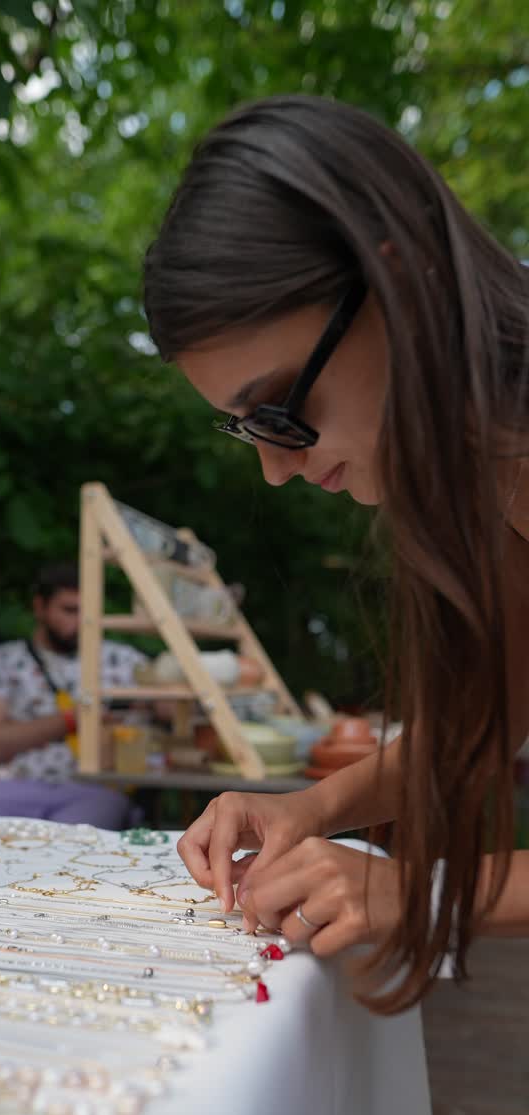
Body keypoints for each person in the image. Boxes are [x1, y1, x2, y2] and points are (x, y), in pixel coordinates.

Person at [143, 94, 529, 1011]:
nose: (278, 468)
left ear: (397, 284)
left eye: (281, 410)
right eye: (248, 432)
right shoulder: (491, 470)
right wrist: (304, 810)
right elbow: (488, 723)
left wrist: (429, 890)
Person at [0, 562, 144, 828]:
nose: (81, 621)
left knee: (74, 853)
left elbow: (169, 708)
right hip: (5, 788)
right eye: (70, 610)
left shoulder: (124, 661)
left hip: (92, 791)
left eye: (89, 612)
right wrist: (72, 721)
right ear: (39, 607)